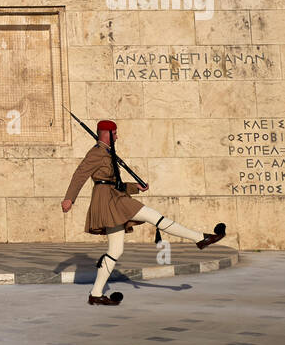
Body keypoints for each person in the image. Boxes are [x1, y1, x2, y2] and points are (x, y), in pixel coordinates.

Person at [61, 118, 226, 307]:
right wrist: (69, 199)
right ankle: (200, 238)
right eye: (114, 133)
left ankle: (96, 294)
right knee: (154, 216)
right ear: (106, 133)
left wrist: (136, 187)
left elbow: (114, 182)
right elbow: (80, 174)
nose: (117, 136)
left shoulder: (107, 152)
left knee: (116, 250)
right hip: (110, 200)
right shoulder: (97, 153)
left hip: (114, 197)